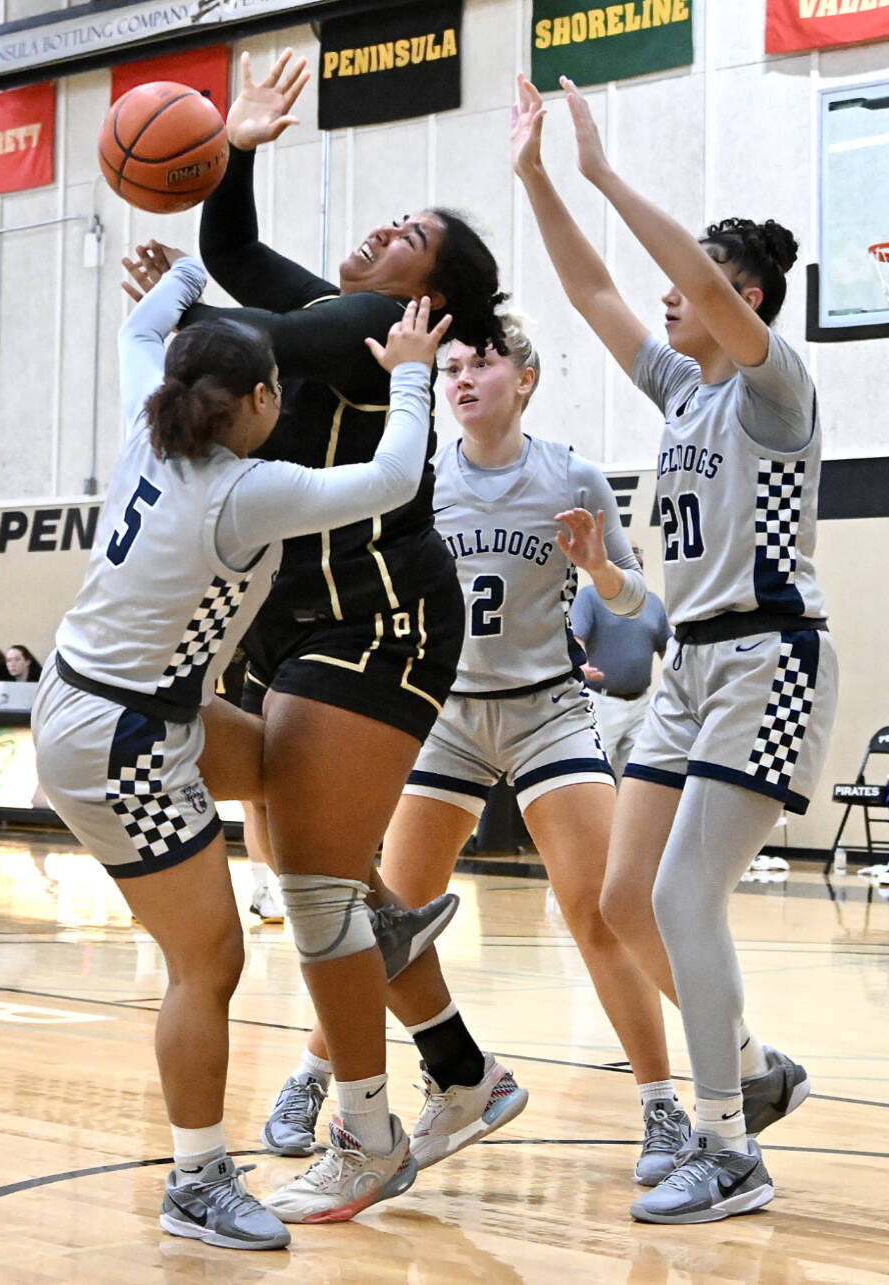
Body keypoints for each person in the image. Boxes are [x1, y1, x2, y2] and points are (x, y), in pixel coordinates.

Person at [124, 50, 526, 1223]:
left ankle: (366, 1132)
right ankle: (462, 1069)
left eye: (412, 235)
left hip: (377, 616)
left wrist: (171, 310)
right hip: (301, 624)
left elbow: (241, 323)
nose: (386, 227)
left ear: (431, 294)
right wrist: (238, 153)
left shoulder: (373, 324)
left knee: (309, 881)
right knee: (330, 873)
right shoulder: (333, 311)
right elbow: (240, 257)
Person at [33, 248, 453, 1250]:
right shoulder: (243, 491)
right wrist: (412, 374)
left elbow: (140, 328)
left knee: (285, 771)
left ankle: (376, 914)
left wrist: (182, 270)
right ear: (264, 398)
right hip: (122, 739)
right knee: (208, 959)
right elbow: (393, 477)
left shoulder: (148, 420)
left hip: (125, 700)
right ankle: (196, 1180)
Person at [512, 75, 838, 1224]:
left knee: (687, 893)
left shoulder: (772, 386)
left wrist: (605, 171)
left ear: (743, 299)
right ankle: (752, 1069)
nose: (668, 296)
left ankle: (729, 1148)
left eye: (696, 283)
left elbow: (684, 280)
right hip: (692, 667)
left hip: (769, 660)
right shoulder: (680, 391)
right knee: (622, 897)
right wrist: (539, 179)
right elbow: (593, 288)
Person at [266, 314, 692, 1184]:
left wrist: (598, 568)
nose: (461, 378)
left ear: (524, 380)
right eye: (451, 366)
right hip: (447, 716)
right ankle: (311, 1077)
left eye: (481, 363)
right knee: (387, 920)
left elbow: (636, 604)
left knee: (598, 908)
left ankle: (662, 1105)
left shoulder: (571, 474)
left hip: (546, 711)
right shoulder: (417, 475)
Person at [571, 544, 670, 781]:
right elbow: (577, 637)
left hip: (641, 704)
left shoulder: (653, 603)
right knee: (599, 770)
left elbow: (667, 649)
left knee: (638, 772)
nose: (635, 555)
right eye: (630, 551)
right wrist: (580, 664)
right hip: (603, 702)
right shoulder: (590, 597)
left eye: (638, 552)